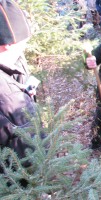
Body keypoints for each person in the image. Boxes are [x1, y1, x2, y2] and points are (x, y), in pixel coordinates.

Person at [0, 0, 39, 186]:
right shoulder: (5, 93)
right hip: (16, 180)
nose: (25, 47)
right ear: (8, 44)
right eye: (24, 42)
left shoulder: (12, 61)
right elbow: (21, 142)